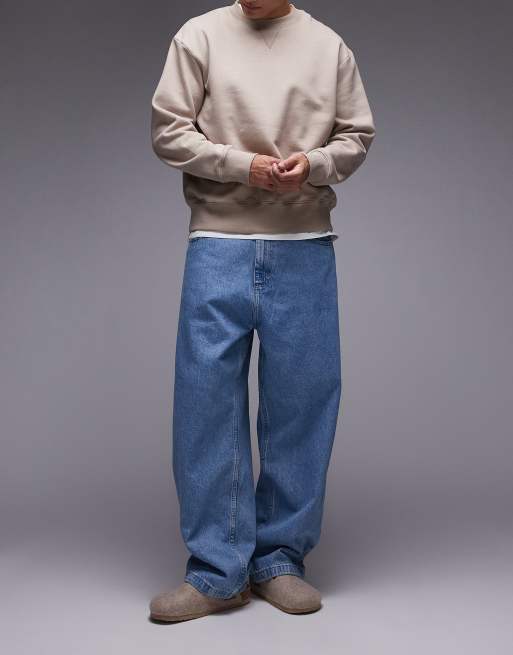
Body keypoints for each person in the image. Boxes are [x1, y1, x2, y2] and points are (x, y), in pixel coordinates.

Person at [148, 0, 375, 622]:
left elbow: (356, 136)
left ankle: (279, 560)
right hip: (217, 240)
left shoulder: (327, 45)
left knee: (302, 401)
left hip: (304, 244)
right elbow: (169, 130)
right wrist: (244, 165)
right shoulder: (199, 36)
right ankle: (217, 570)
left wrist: (315, 166)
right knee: (205, 402)